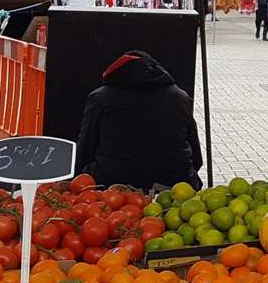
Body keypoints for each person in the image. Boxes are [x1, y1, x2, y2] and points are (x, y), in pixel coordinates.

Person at [75, 50, 203, 189]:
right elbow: (196, 157)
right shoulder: (180, 97)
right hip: (173, 182)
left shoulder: (100, 98)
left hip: (111, 182)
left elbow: (85, 148)